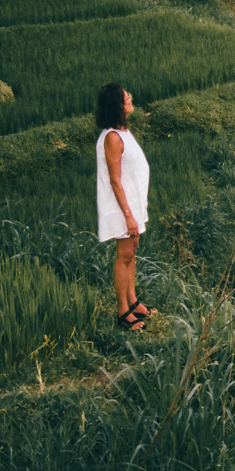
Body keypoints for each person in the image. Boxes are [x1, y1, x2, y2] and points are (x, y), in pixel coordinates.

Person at [95, 82, 153, 330]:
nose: (130, 96)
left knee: (132, 252)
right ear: (117, 105)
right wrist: (128, 216)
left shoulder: (123, 131)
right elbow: (115, 181)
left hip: (133, 203)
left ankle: (133, 301)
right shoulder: (112, 138)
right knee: (124, 256)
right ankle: (122, 312)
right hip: (121, 207)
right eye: (124, 95)